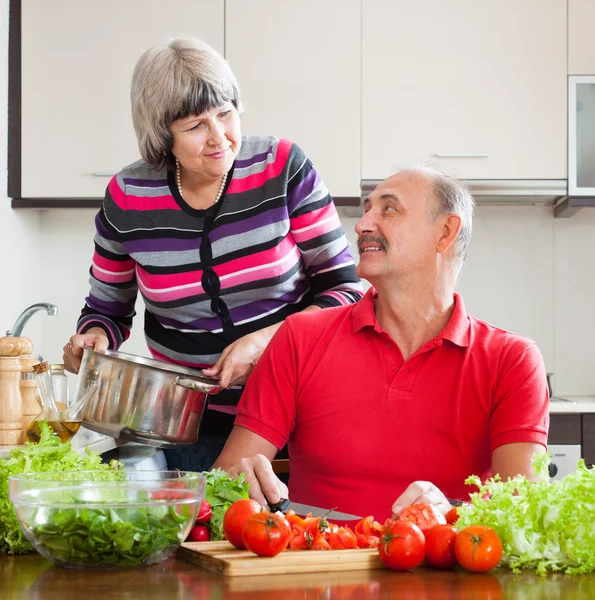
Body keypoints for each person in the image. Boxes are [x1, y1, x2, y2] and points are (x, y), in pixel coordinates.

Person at [62, 37, 363, 471]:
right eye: (195, 126)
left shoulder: (280, 168)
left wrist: (264, 344)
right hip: (187, 419)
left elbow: (346, 292)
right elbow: (107, 308)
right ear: (162, 137)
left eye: (225, 114)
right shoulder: (129, 197)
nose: (219, 137)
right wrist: (95, 338)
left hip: (302, 406)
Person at [213, 167, 550, 521]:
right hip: (318, 567)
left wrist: (453, 513)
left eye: (388, 209)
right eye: (367, 208)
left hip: (447, 572)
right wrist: (240, 480)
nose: (362, 225)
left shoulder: (512, 360)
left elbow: (523, 508)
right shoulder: (299, 336)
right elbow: (226, 481)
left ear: (445, 233)